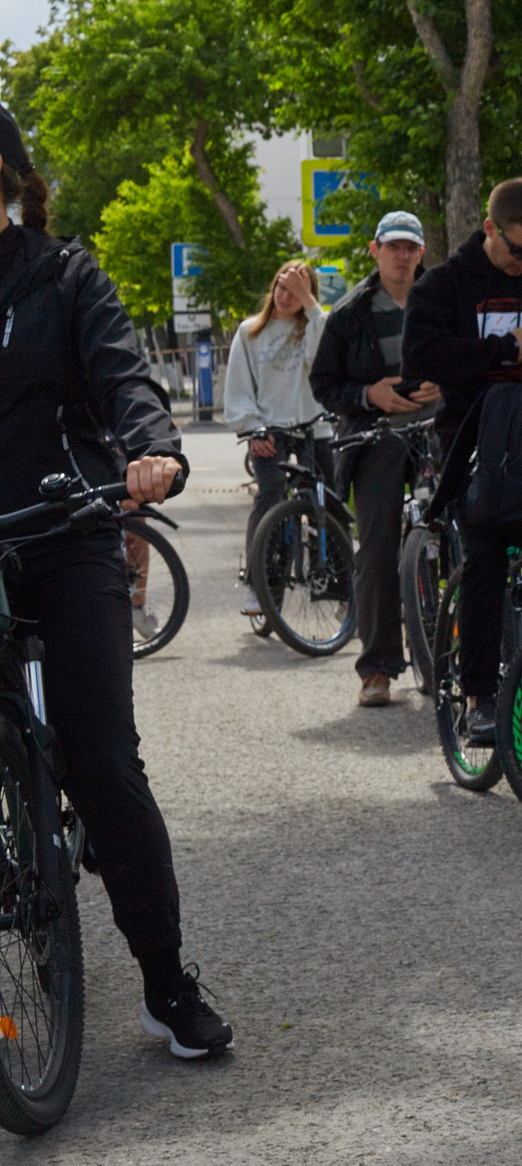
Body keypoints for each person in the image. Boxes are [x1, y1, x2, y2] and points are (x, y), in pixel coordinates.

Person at [0, 105, 231, 1056]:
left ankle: (167, 982)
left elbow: (124, 376)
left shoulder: (63, 274)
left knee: (101, 756)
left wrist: (150, 449)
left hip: (65, 530)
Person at [403, 179, 522, 745]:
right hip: (472, 443)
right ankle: (480, 698)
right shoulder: (444, 286)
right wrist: (504, 350)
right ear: (489, 228)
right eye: (518, 251)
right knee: (485, 554)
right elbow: (421, 359)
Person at [308, 212, 442, 707]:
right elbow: (324, 383)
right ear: (375, 250)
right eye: (393, 247)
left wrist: (447, 381)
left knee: (460, 538)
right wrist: (369, 395)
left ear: (421, 253)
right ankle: (377, 669)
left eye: (410, 248)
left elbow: (474, 358)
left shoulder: (443, 301)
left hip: (439, 434)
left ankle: (454, 654)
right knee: (378, 550)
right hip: (376, 436)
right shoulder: (350, 312)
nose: (402, 256)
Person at [222, 258, 324, 608]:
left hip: (313, 425)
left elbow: (325, 358)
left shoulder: (314, 326)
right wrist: (252, 428)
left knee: (327, 500)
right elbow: (238, 387)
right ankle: (261, 582)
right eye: (281, 287)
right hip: (269, 429)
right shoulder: (250, 332)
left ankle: (336, 582)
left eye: (295, 290)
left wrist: (309, 304)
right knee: (269, 498)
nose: (286, 296)